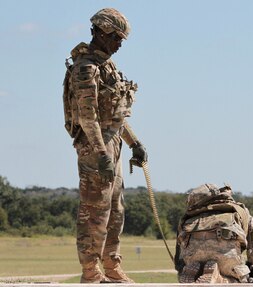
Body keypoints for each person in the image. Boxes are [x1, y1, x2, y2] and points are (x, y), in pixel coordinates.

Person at [63, 8, 148, 283]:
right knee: (94, 211)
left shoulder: (106, 67)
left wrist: (134, 143)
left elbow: (115, 116)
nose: (119, 44)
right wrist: (101, 155)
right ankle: (91, 270)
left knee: (116, 210)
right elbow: (88, 118)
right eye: (116, 38)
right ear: (100, 33)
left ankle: (111, 265)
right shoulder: (86, 68)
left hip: (112, 145)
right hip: (94, 147)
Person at [174, 184, 253, 283]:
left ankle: (195, 277)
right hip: (227, 258)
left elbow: (179, 258)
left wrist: (182, 271)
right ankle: (221, 279)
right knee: (240, 280)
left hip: (192, 259)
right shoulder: (240, 211)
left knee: (195, 271)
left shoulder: (187, 217)